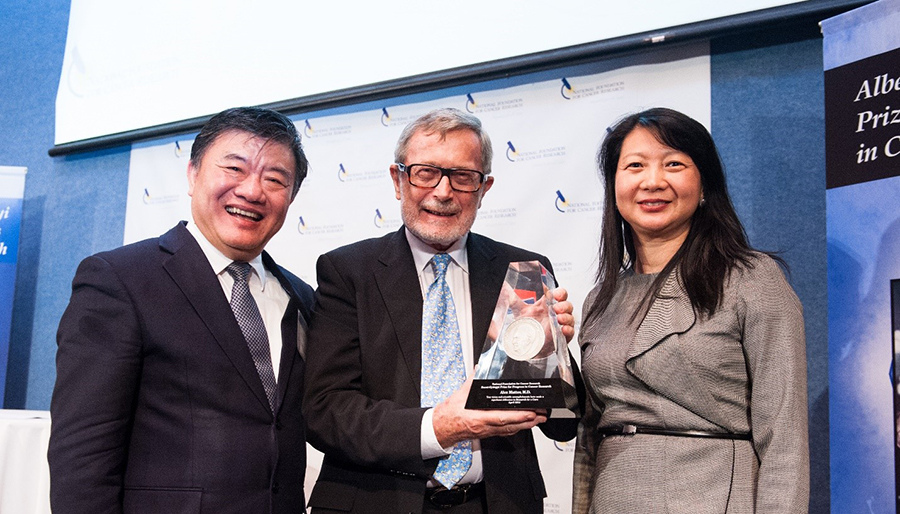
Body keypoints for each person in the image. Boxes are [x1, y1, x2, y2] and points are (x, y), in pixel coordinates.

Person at [303, 108, 582, 514]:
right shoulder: (347, 272)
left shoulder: (521, 271)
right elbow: (326, 411)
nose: (443, 191)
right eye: (425, 172)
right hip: (376, 503)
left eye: (462, 177)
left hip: (495, 503)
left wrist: (554, 357)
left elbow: (563, 423)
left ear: (484, 188)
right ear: (398, 180)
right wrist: (439, 427)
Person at [48, 107, 315, 514]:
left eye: (275, 179)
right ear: (193, 174)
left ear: (291, 197)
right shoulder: (119, 280)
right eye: (234, 168)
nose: (252, 191)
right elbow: (83, 455)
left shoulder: (302, 297)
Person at [573, 107, 809, 514]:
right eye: (634, 166)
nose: (653, 181)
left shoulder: (752, 280)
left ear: (703, 186)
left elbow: (784, 437)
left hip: (712, 496)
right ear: (614, 187)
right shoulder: (601, 298)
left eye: (674, 164)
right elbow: (589, 439)